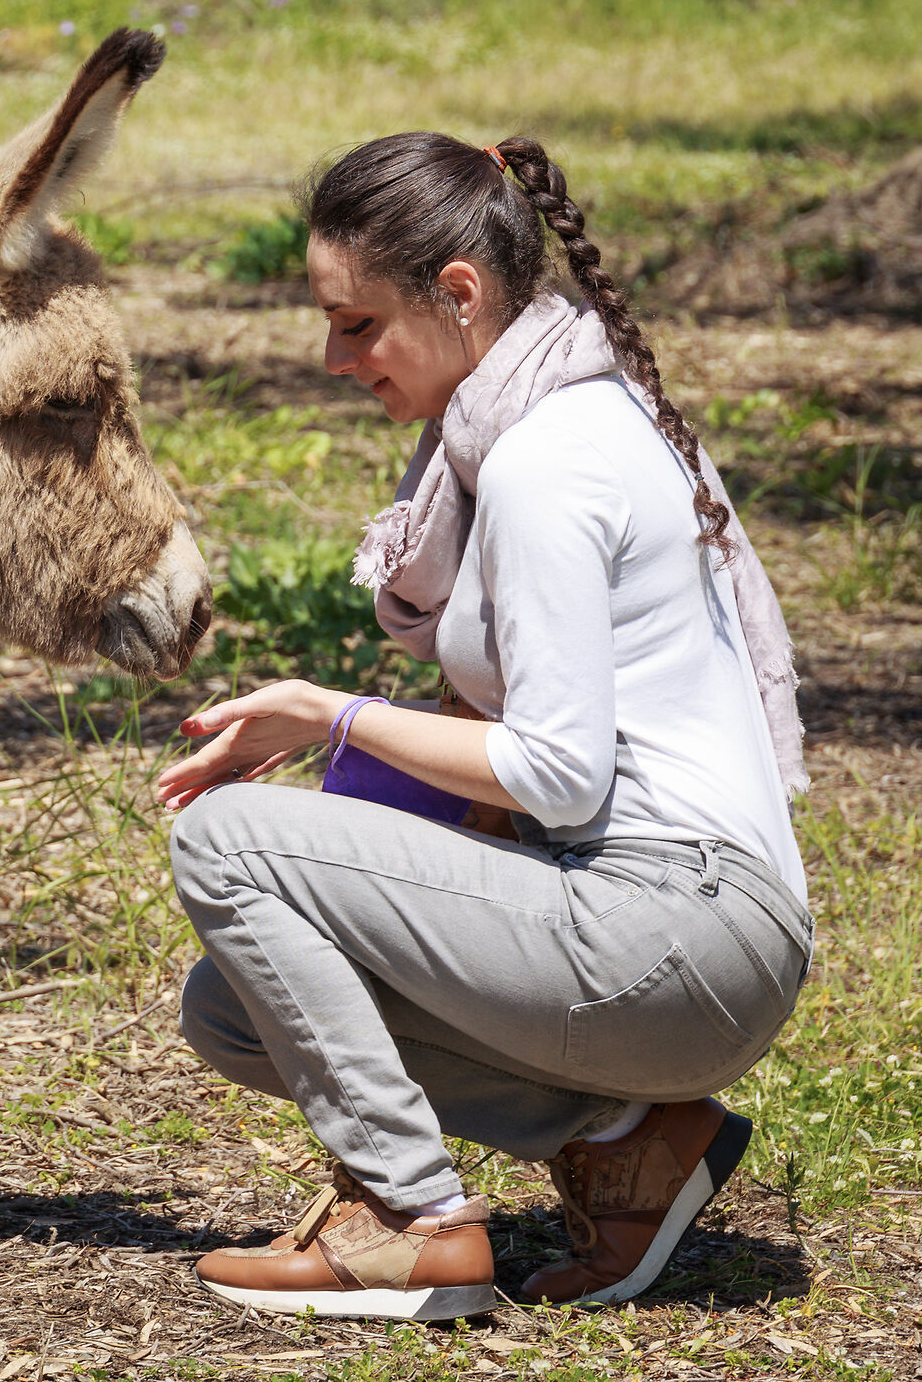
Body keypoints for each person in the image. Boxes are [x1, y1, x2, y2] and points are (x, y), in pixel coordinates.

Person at [156, 133, 812, 1321]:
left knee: (228, 843)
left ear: (458, 294)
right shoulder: (582, 414)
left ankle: (413, 1222)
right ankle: (628, 1148)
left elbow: (555, 775)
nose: (333, 356)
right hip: (691, 937)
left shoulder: (544, 465)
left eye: (358, 324)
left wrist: (328, 714)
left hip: (681, 930)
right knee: (231, 1003)